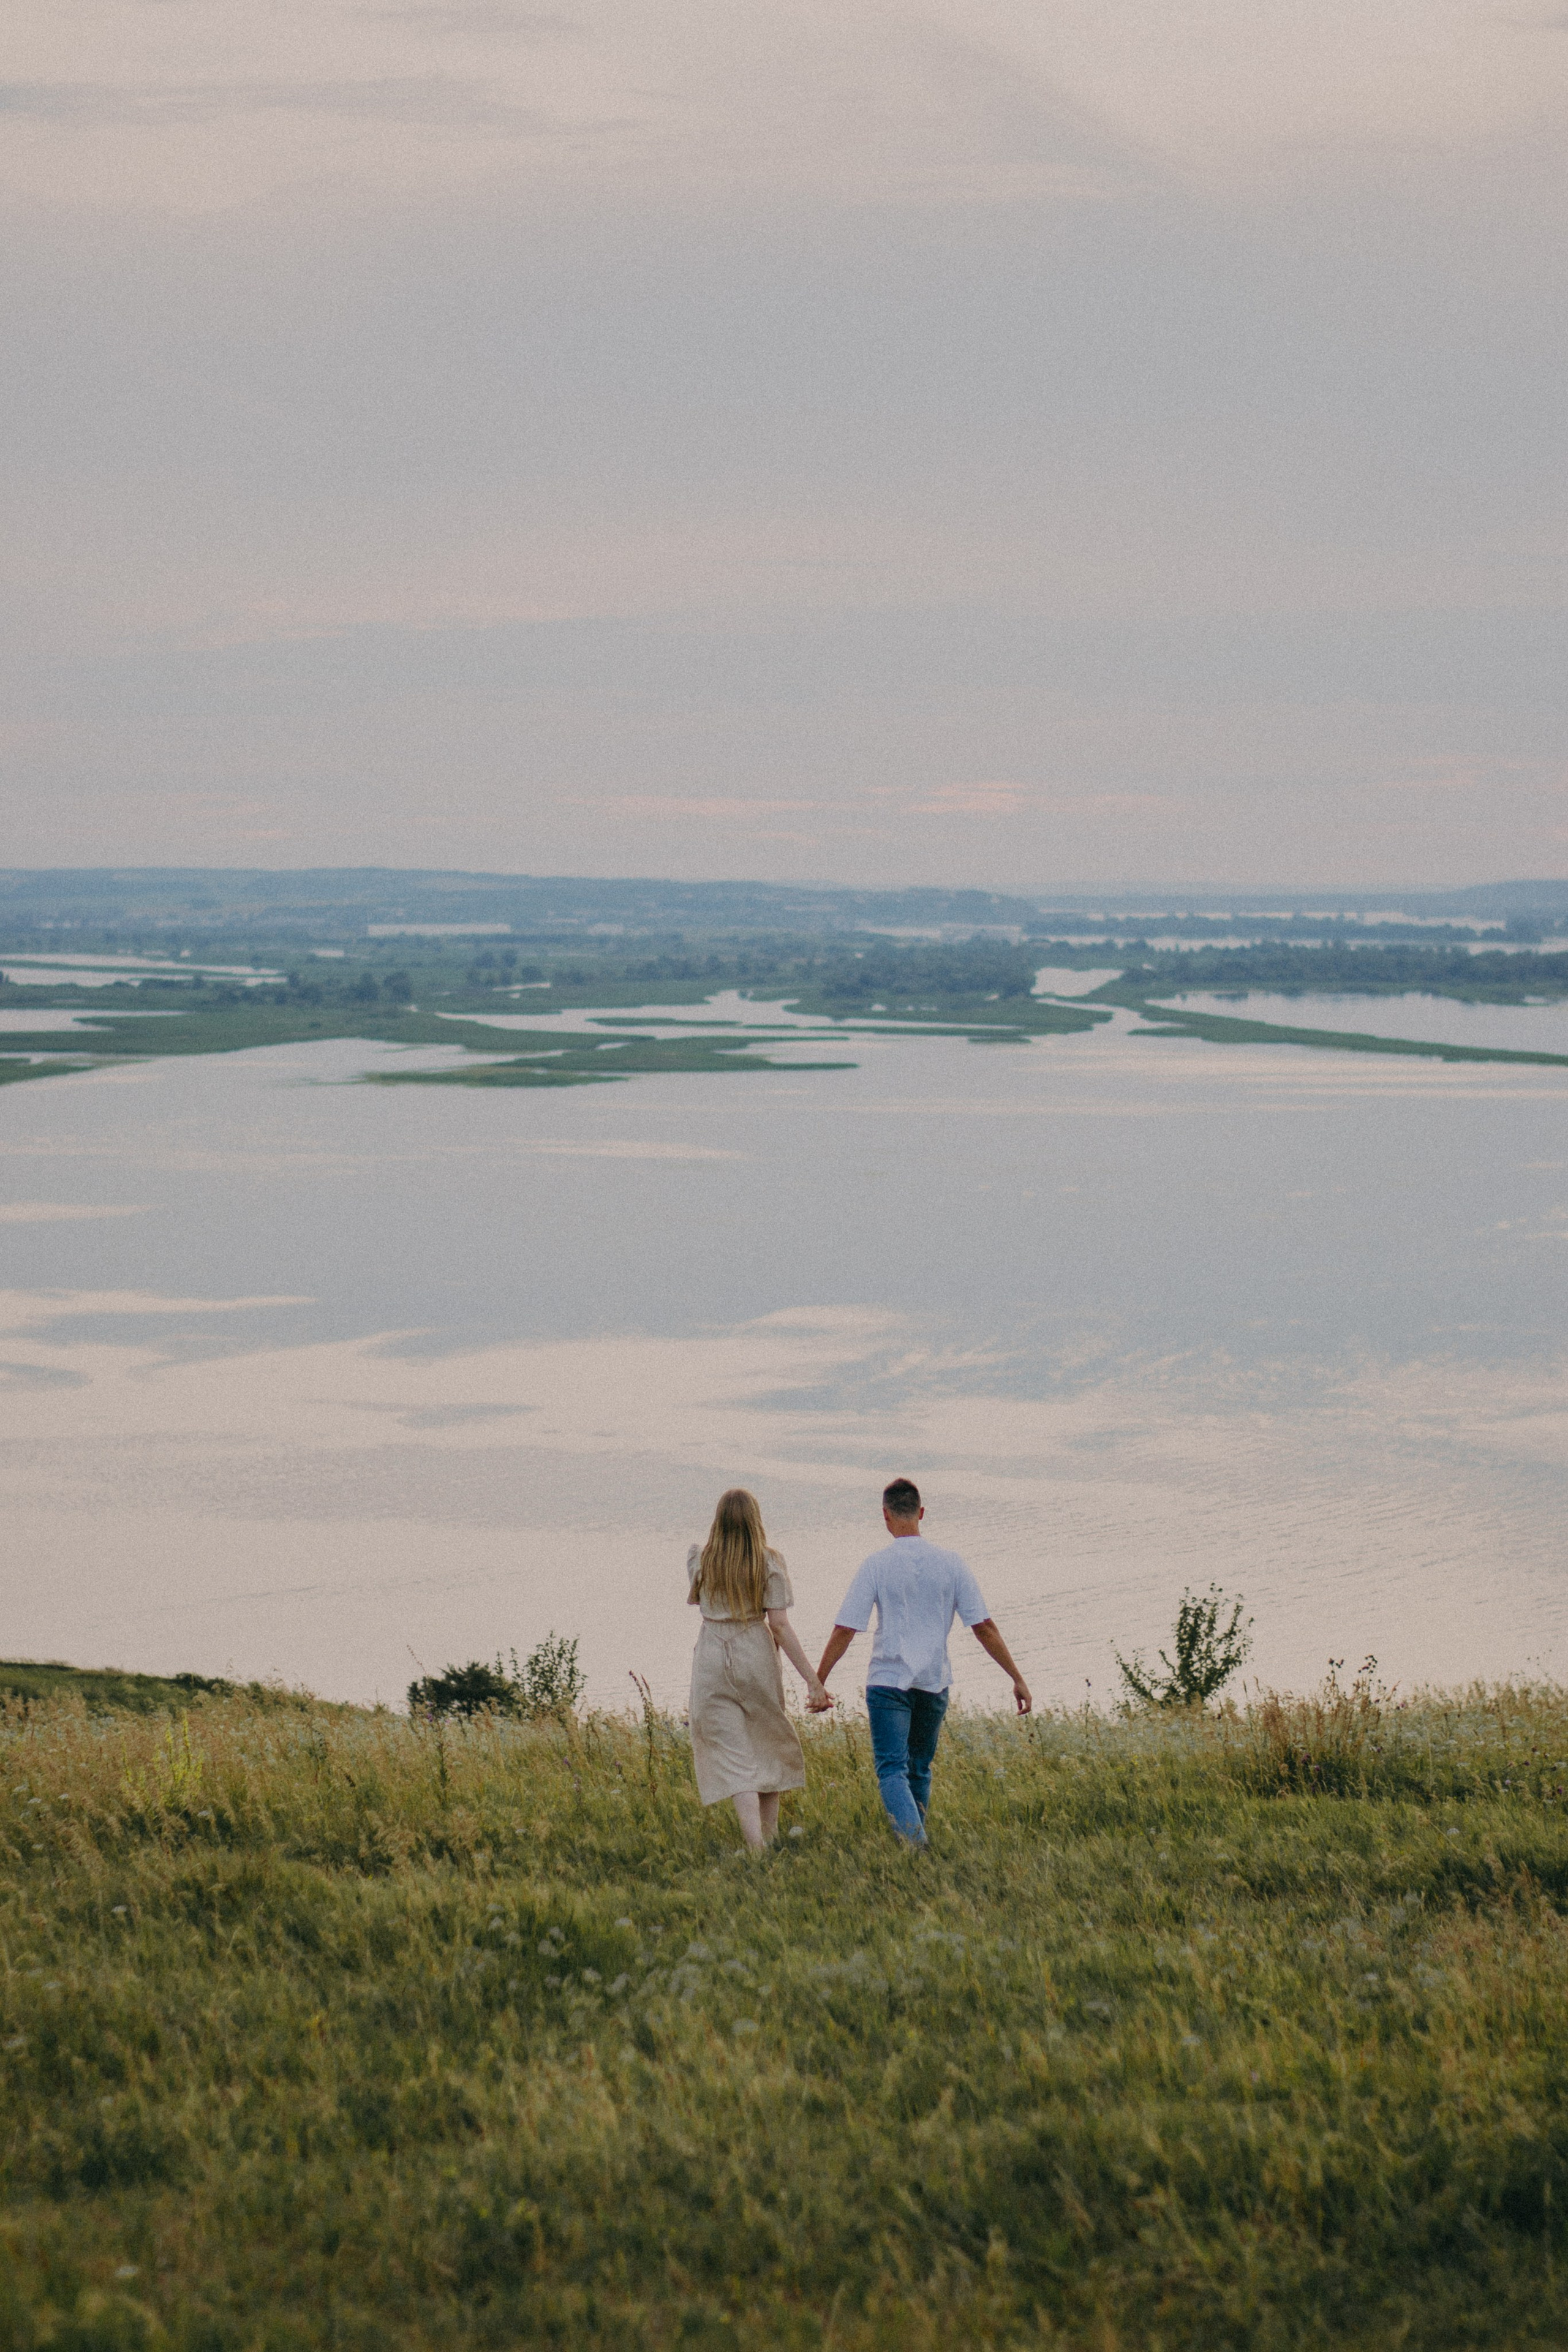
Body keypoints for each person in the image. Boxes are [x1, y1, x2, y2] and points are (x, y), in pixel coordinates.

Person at [815, 1477, 1031, 1845]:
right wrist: (1017, 1677)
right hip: (934, 1680)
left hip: (888, 1682)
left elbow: (845, 1629)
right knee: (919, 1769)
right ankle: (916, 1844)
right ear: (922, 1513)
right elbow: (984, 1627)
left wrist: (818, 1681)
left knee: (892, 1770)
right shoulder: (951, 1563)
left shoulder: (876, 1565)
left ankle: (916, 1847)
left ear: (885, 1516)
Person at [687, 1488, 831, 1851]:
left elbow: (698, 1598)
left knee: (733, 1754)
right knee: (767, 1742)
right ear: (756, 1521)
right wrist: (814, 1682)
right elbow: (780, 1625)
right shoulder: (769, 1563)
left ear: (717, 1520)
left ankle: (757, 1846)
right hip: (754, 1650)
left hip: (711, 1655)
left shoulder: (700, 1559)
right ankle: (768, 1839)